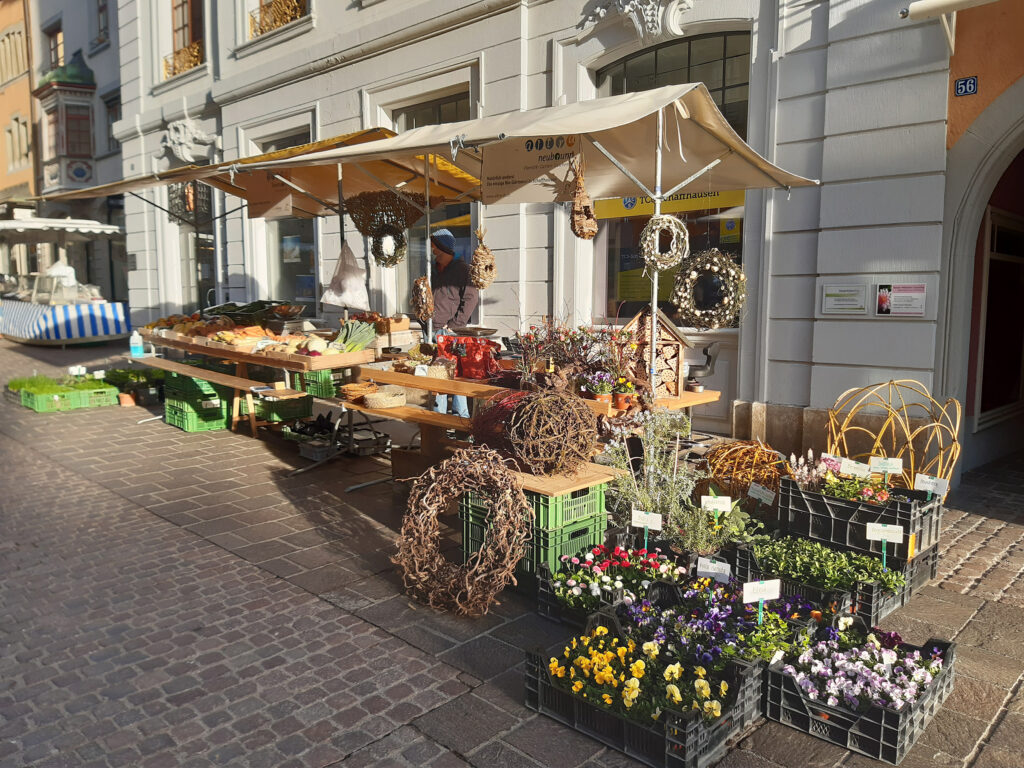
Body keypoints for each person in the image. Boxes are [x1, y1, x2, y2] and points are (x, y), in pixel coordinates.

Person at [429, 228, 479, 419]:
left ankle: (460, 418)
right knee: (436, 377)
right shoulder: (433, 269)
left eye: (435, 247)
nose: (433, 251)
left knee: (455, 375)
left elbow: (471, 298)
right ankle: (438, 419)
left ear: (444, 248)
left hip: (450, 331)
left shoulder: (463, 270)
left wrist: (455, 324)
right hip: (431, 328)